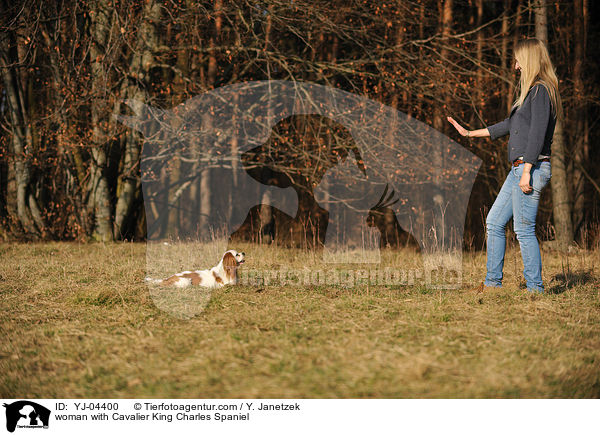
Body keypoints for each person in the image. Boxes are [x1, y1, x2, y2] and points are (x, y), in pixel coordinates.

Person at [447, 38, 562, 293]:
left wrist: (528, 172)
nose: (516, 65)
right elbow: (508, 125)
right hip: (519, 169)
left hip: (529, 168)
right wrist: (468, 133)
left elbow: (537, 135)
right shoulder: (530, 92)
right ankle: (492, 284)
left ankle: (535, 289)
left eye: (518, 59)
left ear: (530, 59)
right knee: (495, 222)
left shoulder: (542, 90)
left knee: (523, 230)